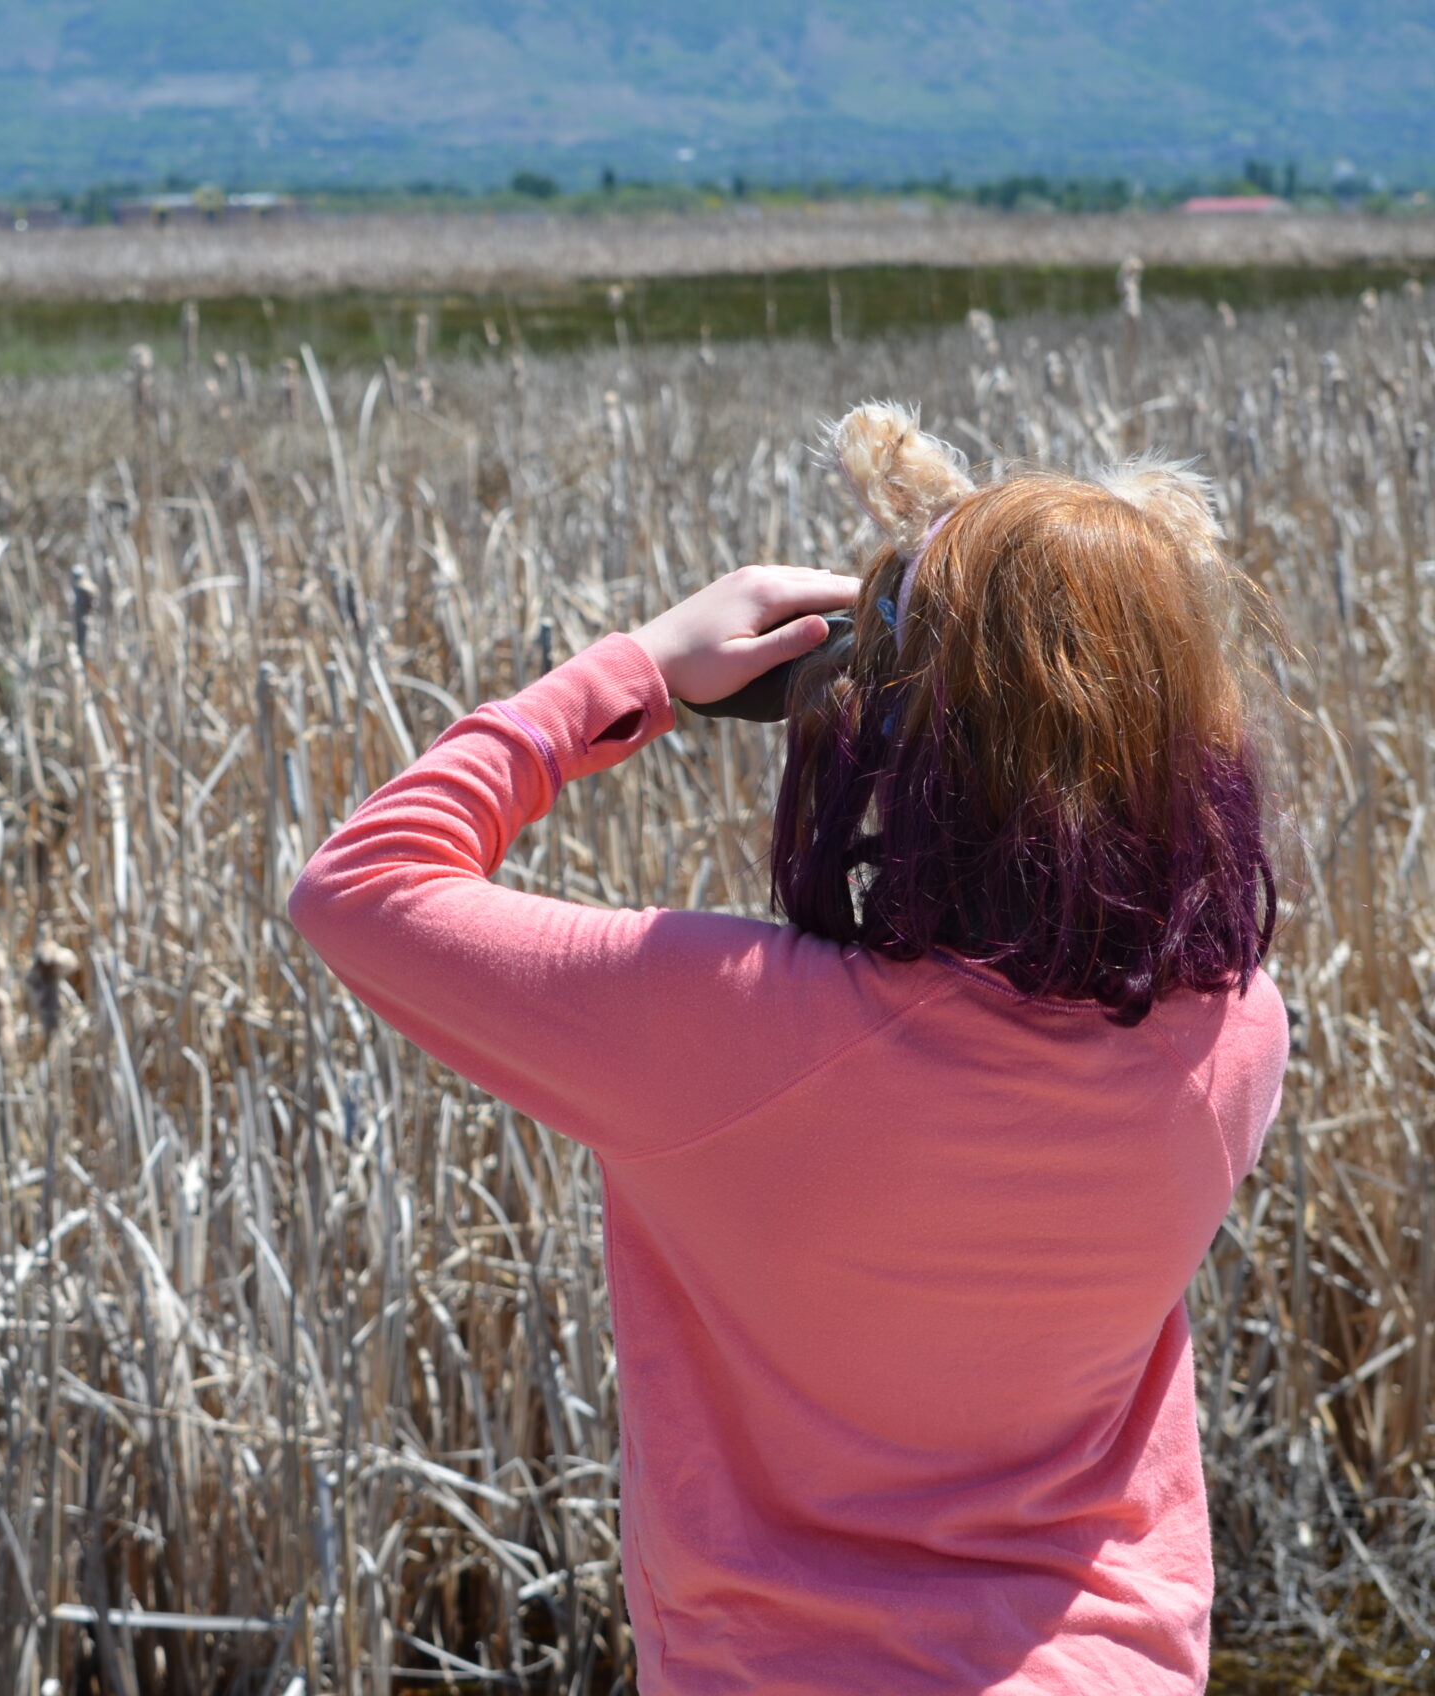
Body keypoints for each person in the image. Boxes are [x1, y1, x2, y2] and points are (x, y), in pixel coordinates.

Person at [287, 403, 1287, 1695]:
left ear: (887, 740)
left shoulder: (726, 1027)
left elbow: (360, 885)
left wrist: (640, 666)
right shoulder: (1233, 1037)